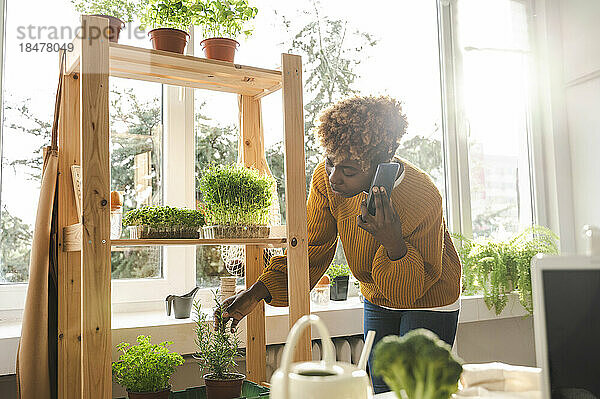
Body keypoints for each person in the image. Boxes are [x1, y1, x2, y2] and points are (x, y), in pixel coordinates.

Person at [216, 95, 461, 394]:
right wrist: (255, 293)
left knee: (416, 392)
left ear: (381, 163)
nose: (334, 177)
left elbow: (408, 291)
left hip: (429, 296)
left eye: (348, 171)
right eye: (331, 163)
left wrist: (393, 243)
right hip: (376, 294)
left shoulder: (422, 197)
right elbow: (310, 249)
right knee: (382, 388)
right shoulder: (326, 179)